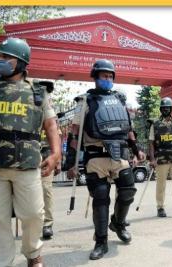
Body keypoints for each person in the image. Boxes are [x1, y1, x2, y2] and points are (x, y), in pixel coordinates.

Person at [0, 37, 61, 267]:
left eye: (6, 57)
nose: (0, 61)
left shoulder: (38, 92)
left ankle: (33, 254)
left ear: (21, 62)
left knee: (34, 214)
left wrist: (55, 153)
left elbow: (51, 124)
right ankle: (0, 263)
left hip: (27, 164)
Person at [67, 59, 145, 260]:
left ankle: (118, 223)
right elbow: (75, 132)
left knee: (128, 190)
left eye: (110, 76)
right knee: (101, 197)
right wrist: (70, 161)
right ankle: (101, 242)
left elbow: (128, 129)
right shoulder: (84, 101)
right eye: (104, 76)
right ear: (95, 77)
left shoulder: (119, 99)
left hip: (119, 154)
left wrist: (137, 150)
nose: (108, 79)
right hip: (95, 156)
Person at [40, 126, 62, 240]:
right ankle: (31, 225)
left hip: (47, 157)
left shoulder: (50, 116)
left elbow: (57, 139)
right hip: (28, 155)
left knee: (45, 188)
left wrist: (58, 160)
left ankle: (47, 225)